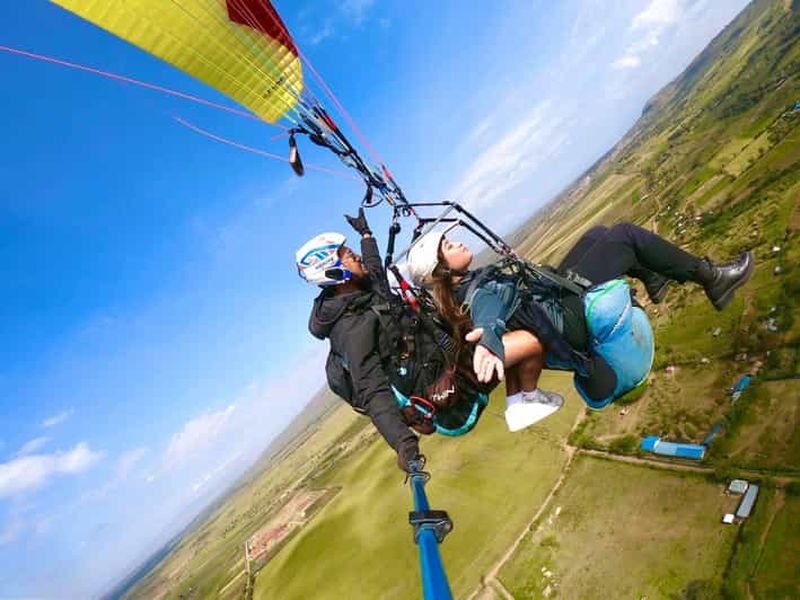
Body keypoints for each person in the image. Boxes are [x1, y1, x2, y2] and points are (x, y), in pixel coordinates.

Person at [296, 210, 553, 472]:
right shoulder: (351, 330)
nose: (356, 256)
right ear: (335, 273)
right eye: (348, 256)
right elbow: (373, 393)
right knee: (528, 342)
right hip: (447, 388)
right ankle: (523, 401)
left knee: (503, 320)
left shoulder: (363, 290)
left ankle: (518, 398)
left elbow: (374, 268)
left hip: (446, 357)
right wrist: (403, 444)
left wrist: (366, 235)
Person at [407, 222, 754, 413]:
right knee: (624, 236)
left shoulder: (465, 286)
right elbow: (489, 311)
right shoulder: (474, 294)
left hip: (549, 302)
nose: (459, 245)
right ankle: (713, 279)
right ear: (441, 271)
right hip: (562, 319)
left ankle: (655, 276)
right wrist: (491, 339)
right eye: (449, 248)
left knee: (597, 234)